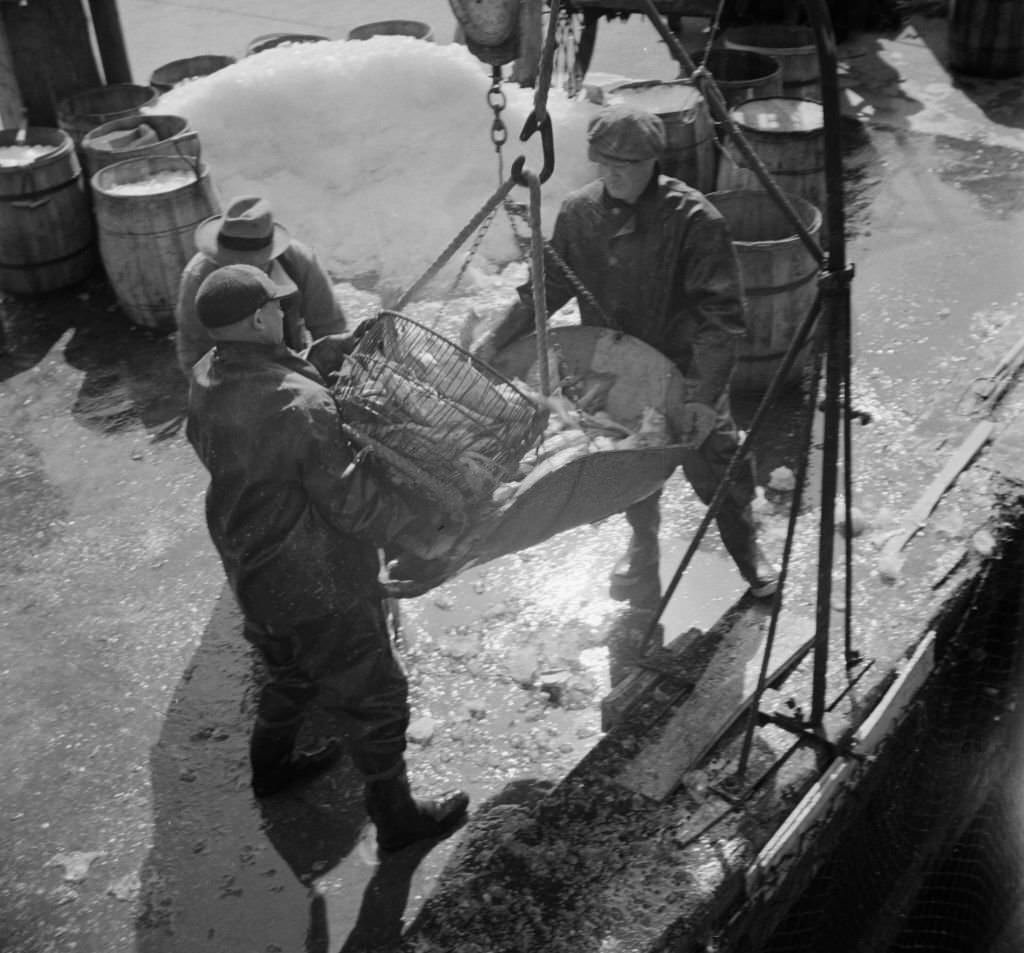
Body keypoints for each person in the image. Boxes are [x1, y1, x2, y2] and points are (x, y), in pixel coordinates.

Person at [185, 263, 468, 852]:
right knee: (376, 698)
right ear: (262, 317)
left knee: (290, 674)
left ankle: (271, 771)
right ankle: (397, 820)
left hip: (253, 571)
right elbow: (356, 506)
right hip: (320, 586)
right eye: (279, 309)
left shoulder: (207, 376)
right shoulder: (301, 407)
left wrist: (320, 354)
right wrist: (429, 537)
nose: (287, 314)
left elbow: (259, 420)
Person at [473, 103, 778, 609]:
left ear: (652, 164)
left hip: (685, 366)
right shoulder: (579, 211)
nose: (613, 176)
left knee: (719, 469)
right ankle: (643, 547)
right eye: (604, 165)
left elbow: (720, 318)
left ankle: (748, 552)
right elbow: (546, 289)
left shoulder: (695, 220)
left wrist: (703, 396)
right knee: (630, 467)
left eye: (626, 167)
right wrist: (499, 337)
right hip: (616, 366)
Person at [175, 194, 346, 376]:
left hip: (294, 364)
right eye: (232, 262)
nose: (242, 269)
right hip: (229, 376)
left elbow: (330, 327)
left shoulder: (299, 262)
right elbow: (193, 349)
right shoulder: (198, 277)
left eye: (251, 264)